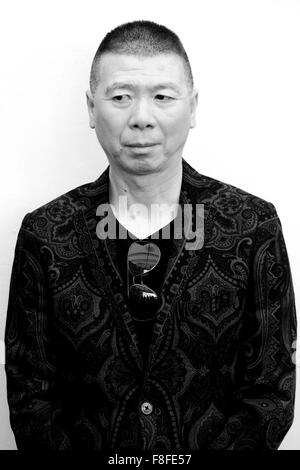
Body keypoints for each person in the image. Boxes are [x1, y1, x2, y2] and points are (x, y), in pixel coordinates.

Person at [5, 20, 297, 451]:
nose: (141, 118)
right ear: (91, 108)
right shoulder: (46, 234)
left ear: (193, 107)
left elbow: (271, 391)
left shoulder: (252, 226)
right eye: (120, 97)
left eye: (163, 97)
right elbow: (31, 397)